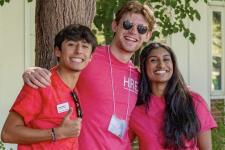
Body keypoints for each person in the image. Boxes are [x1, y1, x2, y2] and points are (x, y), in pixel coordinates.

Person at [21, 1, 155, 149]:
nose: (133, 32)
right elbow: (57, 77)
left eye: (141, 29)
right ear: (115, 25)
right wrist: (31, 70)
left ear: (148, 35)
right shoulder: (88, 56)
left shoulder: (140, 77)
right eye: (128, 24)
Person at [1, 24, 97, 150]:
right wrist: (57, 133)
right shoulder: (41, 84)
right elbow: (8, 134)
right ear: (57, 51)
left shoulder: (75, 88)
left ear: (90, 57)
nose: (78, 50)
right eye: (71, 44)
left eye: (85, 46)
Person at [128, 42, 217, 150]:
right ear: (144, 66)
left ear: (173, 65)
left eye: (166, 59)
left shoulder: (194, 102)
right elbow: (117, 143)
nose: (161, 65)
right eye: (153, 60)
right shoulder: (134, 109)